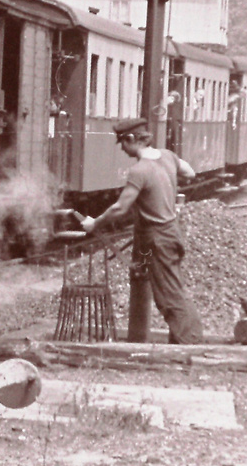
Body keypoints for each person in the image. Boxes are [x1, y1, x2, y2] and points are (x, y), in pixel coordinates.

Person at [78, 117, 204, 344]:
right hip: (167, 234)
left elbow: (120, 208)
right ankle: (174, 340)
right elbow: (190, 172)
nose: (123, 150)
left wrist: (94, 223)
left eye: (123, 144)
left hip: (157, 239)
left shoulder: (139, 170)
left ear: (131, 139)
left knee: (169, 295)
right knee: (158, 283)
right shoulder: (167, 156)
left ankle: (191, 345)